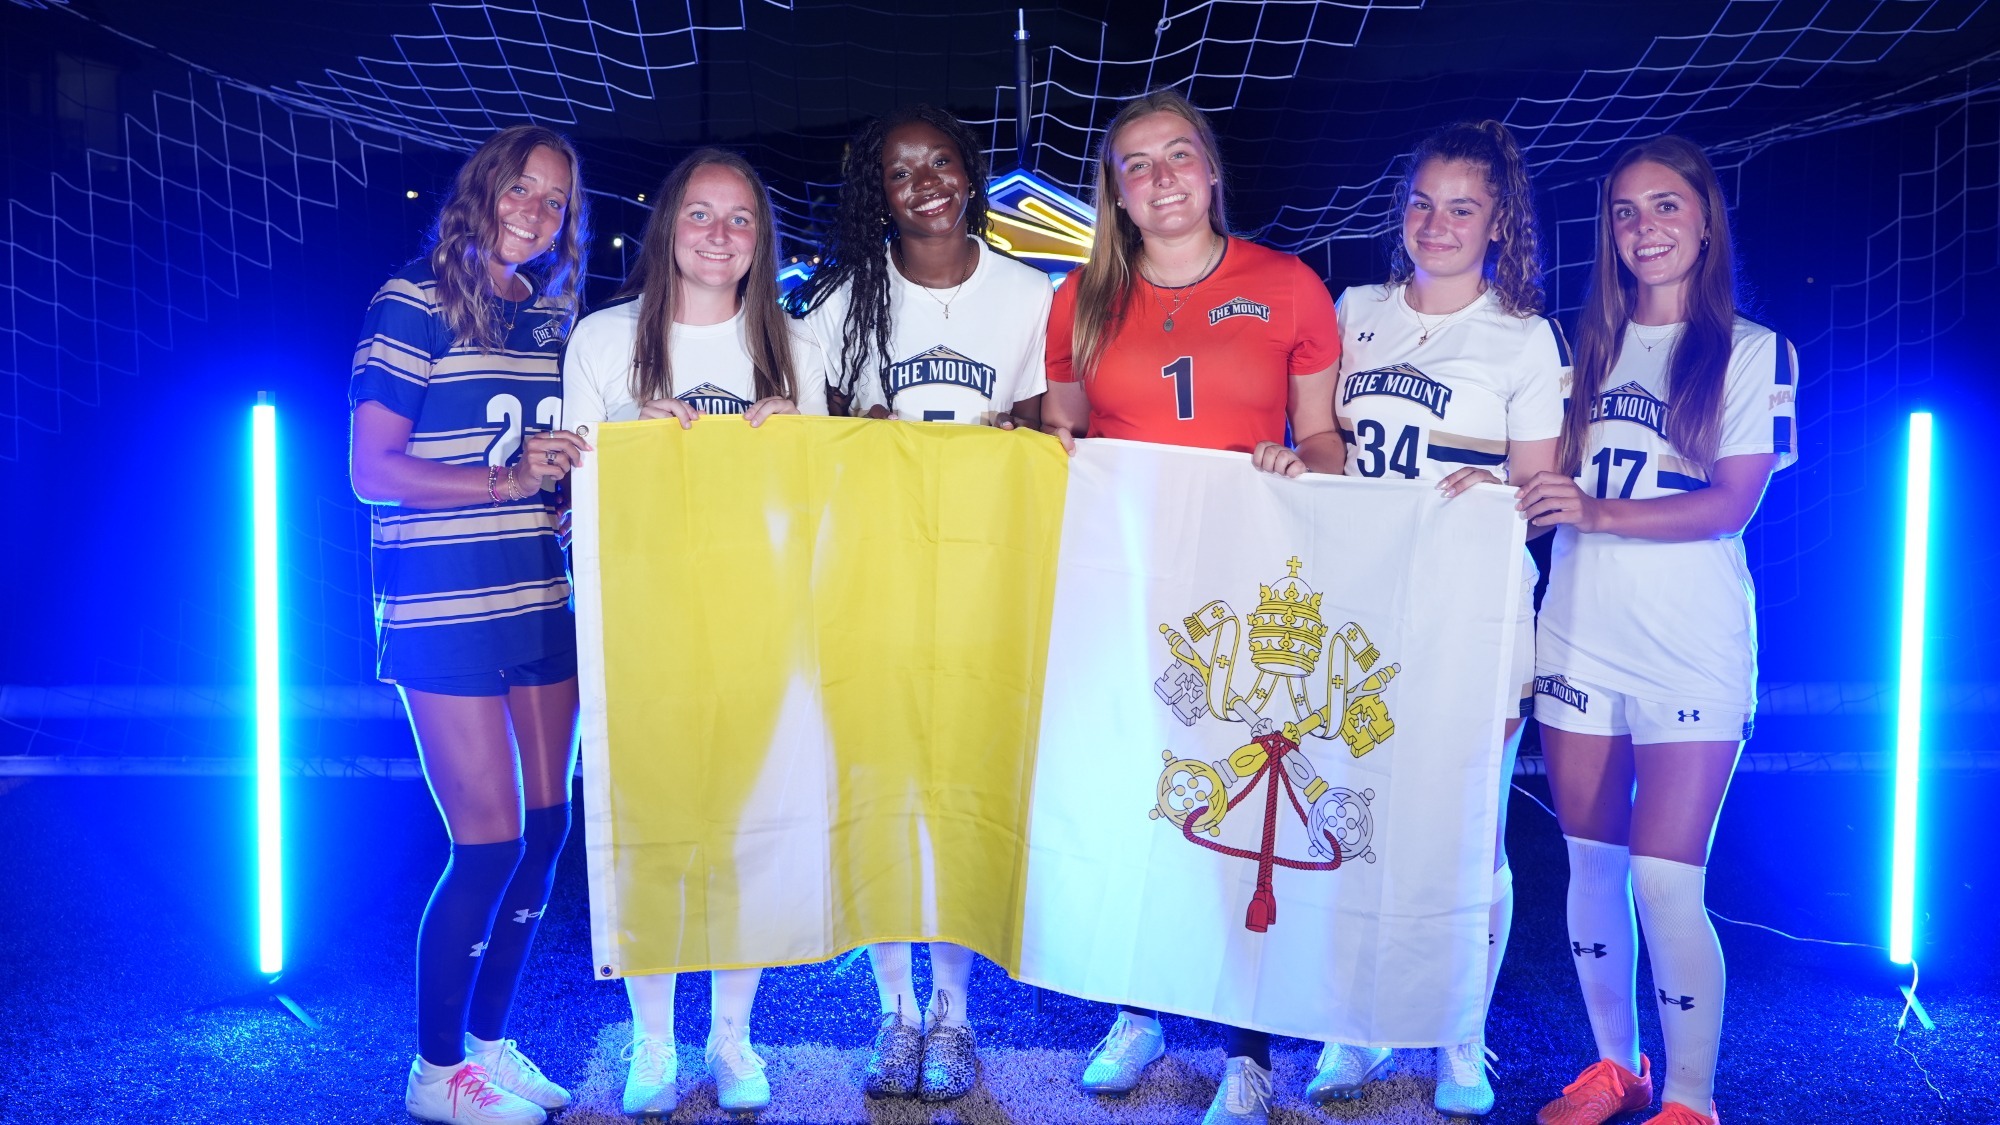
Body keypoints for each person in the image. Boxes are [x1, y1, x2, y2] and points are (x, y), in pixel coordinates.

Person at [1040, 89, 1343, 1125]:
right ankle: (1137, 1010)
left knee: (1231, 804)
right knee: (1134, 793)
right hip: (1126, 584)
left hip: (1242, 581)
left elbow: (1326, 442)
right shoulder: (1077, 295)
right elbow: (1064, 445)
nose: (1161, 177)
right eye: (1136, 163)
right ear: (1114, 192)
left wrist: (1295, 461)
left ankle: (1246, 1047)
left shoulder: (1287, 283)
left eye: (1178, 156)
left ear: (1210, 171)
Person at [1520, 135, 1797, 1125]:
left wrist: (1590, 511)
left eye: (1665, 206)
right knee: (1590, 867)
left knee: (1665, 885)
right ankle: (1614, 1067)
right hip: (1576, 639)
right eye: (1625, 212)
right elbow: (1530, 477)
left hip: (1690, 649)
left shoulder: (1754, 350)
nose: (1644, 227)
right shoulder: (1572, 348)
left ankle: (1688, 1099)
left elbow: (1727, 505)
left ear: (1705, 219)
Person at [784, 104, 1050, 1103]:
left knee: (961, 792)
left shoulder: (1029, 296)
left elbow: (1043, 440)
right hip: (879, 580)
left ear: (970, 171)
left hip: (982, 583)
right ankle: (894, 1015)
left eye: (941, 161)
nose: (925, 181)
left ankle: (955, 1016)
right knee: (886, 792)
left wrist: (1003, 444)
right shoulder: (841, 304)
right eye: (900, 172)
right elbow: (817, 448)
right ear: (876, 196)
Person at [1306, 120, 1567, 1118]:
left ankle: (1460, 1033)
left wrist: (1494, 481)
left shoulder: (1520, 333)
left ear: (1497, 219)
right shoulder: (1356, 309)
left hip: (1475, 614)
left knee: (1464, 835)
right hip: (1366, 612)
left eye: (1462, 206)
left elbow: (1539, 488)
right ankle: (1356, 1027)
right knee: (1357, 822)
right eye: (1421, 201)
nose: (1437, 222)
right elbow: (1323, 432)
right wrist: (1302, 463)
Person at [563, 147, 829, 1116]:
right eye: (700, 215)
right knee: (657, 832)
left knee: (744, 833)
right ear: (666, 225)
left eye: (741, 220)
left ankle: (732, 1038)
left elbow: (823, 497)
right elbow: (575, 489)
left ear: (761, 241)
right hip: (644, 621)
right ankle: (652, 1041)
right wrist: (638, 437)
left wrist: (790, 440)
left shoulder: (791, 344)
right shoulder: (603, 339)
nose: (719, 236)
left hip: (757, 617)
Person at [348, 124, 592, 1125]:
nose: (534, 213)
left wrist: (573, 486)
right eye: (520, 191)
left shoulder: (556, 316)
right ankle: (435, 1069)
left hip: (539, 591)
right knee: (486, 842)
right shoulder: (412, 298)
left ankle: (489, 1048)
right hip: (443, 601)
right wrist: (503, 478)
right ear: (483, 189)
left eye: (555, 202)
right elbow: (370, 474)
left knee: (545, 830)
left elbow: (556, 460)